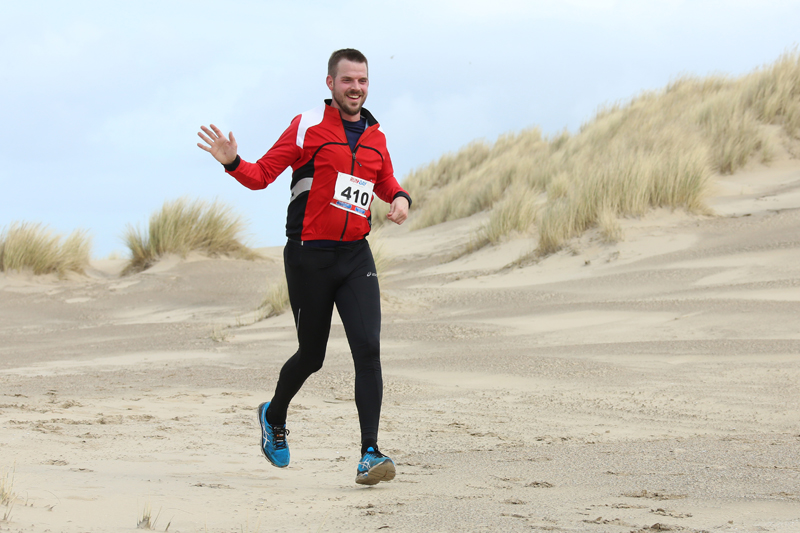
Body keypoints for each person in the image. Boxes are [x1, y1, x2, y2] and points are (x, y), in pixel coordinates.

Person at [197, 48, 411, 486]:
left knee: (368, 349)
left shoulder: (376, 135)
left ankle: (369, 453)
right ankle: (273, 414)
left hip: (355, 255)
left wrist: (402, 198)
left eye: (363, 81)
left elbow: (384, 180)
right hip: (308, 257)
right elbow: (260, 176)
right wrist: (232, 161)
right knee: (312, 356)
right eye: (348, 80)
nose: (356, 88)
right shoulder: (307, 126)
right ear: (330, 83)